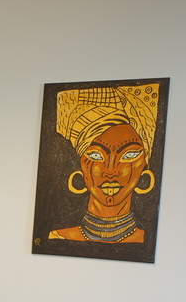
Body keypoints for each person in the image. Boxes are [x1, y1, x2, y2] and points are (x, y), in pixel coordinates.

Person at [48, 84, 159, 243]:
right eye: (96, 155)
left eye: (129, 155)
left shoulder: (147, 241)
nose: (111, 171)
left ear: (143, 170)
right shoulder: (57, 238)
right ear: (81, 169)